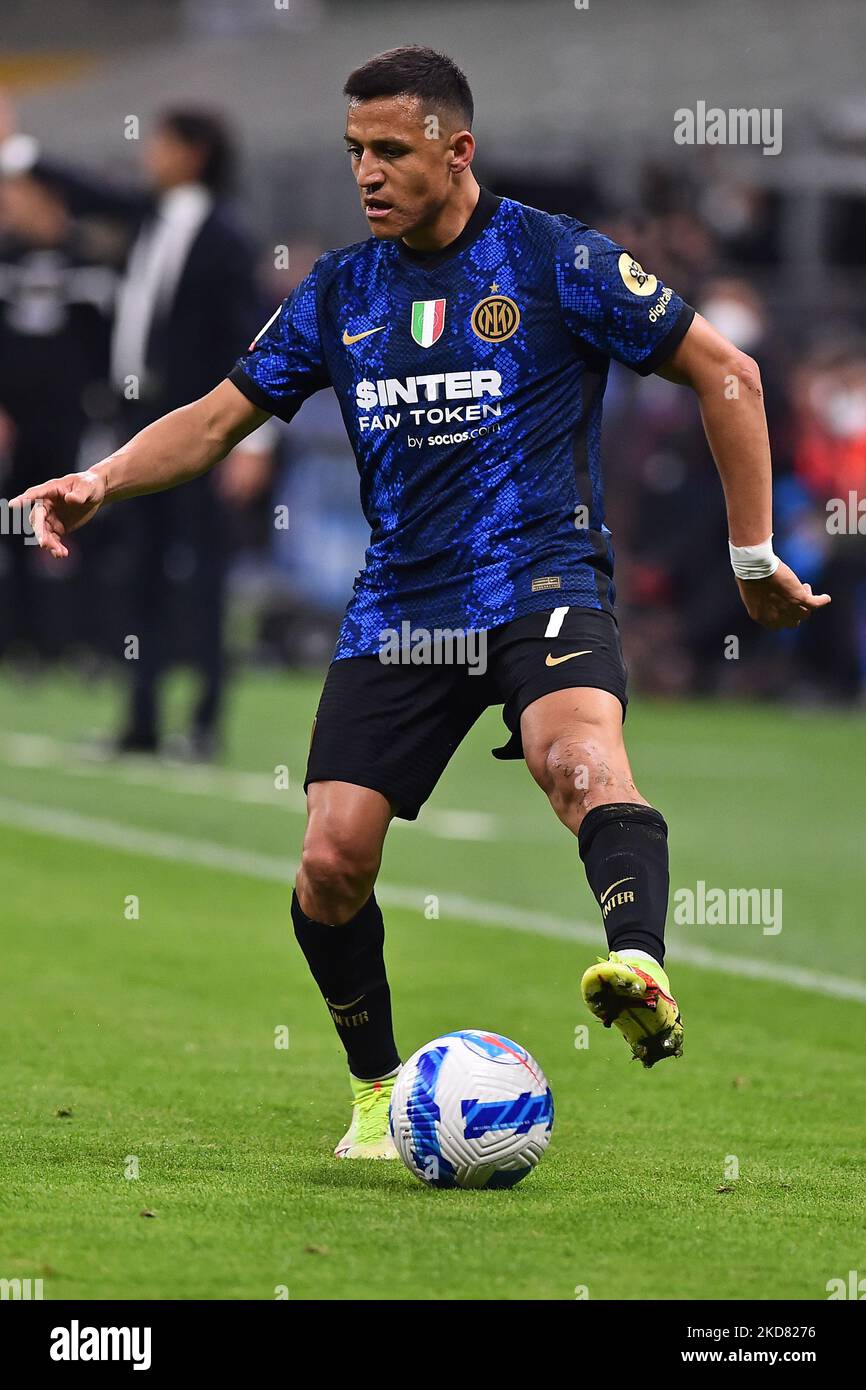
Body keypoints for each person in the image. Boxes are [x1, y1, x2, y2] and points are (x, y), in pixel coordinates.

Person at [12, 46, 830, 1161]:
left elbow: (725, 373)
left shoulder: (553, 258)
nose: (367, 172)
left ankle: (634, 959)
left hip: (539, 574)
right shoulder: (339, 290)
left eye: (391, 149)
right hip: (401, 602)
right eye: (354, 151)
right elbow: (210, 423)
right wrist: (100, 479)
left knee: (575, 759)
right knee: (330, 860)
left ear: (458, 150)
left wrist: (749, 555)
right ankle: (374, 1093)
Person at [1, 102, 264, 754]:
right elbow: (83, 188)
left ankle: (204, 723)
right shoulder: (149, 215)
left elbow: (254, 345)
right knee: (139, 572)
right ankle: (142, 721)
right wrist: (15, 150)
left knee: (202, 576)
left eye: (162, 143)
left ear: (194, 152)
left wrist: (252, 441)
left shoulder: (229, 238)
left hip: (206, 429)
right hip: (142, 425)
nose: (149, 153)